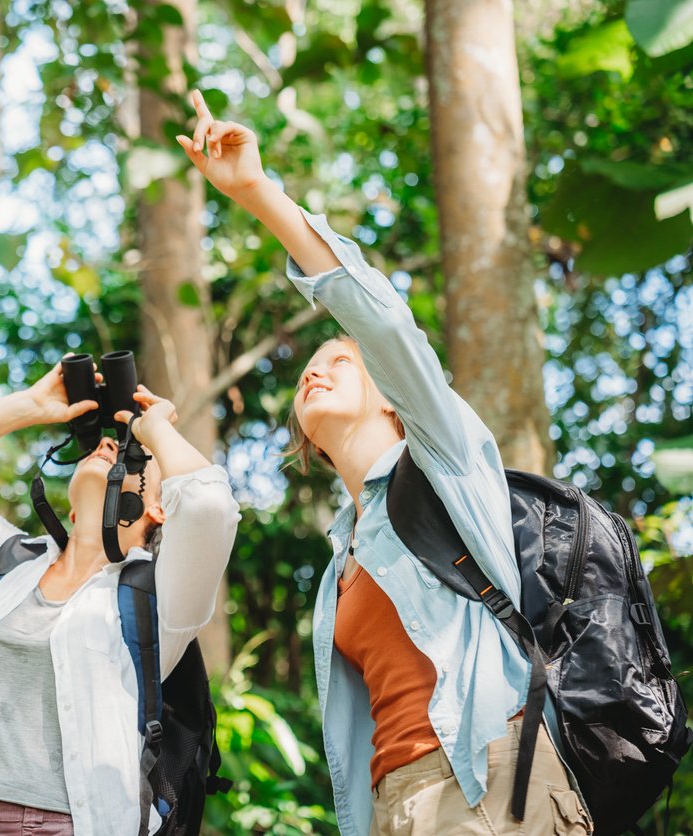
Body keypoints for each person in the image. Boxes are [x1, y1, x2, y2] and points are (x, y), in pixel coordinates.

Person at [175, 89, 592, 835]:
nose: (315, 369)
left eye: (340, 358)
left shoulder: (445, 462)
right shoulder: (342, 557)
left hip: (493, 775)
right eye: (309, 366)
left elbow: (383, 321)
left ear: (395, 398)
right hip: (395, 802)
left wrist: (257, 193)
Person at [0, 360, 240, 836]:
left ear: (159, 506)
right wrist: (29, 406)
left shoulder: (160, 598)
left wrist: (154, 428)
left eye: (131, 453)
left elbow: (208, 505)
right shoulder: (12, 563)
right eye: (103, 441)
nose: (108, 443)